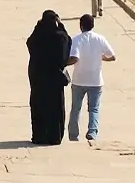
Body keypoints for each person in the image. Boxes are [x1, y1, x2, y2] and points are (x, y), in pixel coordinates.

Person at [66, 13, 115, 142]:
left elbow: (74, 57)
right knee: (94, 108)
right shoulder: (100, 38)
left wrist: (62, 63)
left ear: (81, 26)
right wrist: (101, 57)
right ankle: (92, 132)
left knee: (75, 108)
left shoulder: (76, 39)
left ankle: (73, 134)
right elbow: (112, 56)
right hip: (95, 80)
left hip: (79, 79)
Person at [26, 10, 71, 145]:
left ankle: (39, 136)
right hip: (54, 75)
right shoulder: (60, 37)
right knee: (55, 106)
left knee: (38, 105)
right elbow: (67, 43)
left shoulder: (38, 36)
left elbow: (29, 43)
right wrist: (62, 26)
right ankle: (54, 136)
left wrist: (38, 26)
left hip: (38, 76)